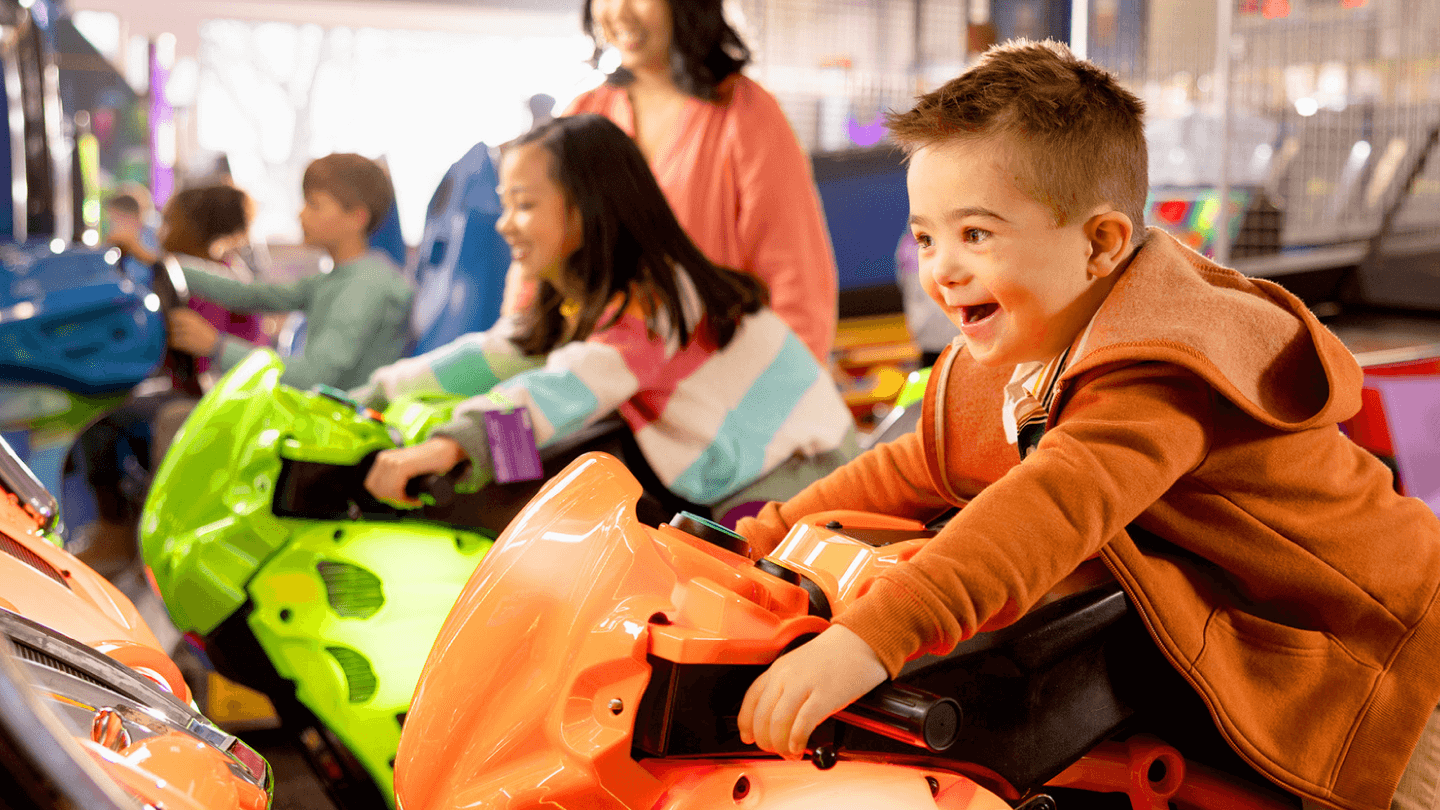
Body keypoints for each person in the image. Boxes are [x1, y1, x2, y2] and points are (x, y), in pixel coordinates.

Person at [733, 39, 1440, 810]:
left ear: (1100, 243)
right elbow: (911, 466)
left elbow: (1050, 507)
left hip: (1392, 654)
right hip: (1273, 635)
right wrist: (753, 545)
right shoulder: (1018, 344)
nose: (941, 269)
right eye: (928, 236)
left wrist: (871, 638)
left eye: (976, 235)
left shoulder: (1164, 363)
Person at [360, 114, 855, 524]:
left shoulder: (657, 303)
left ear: (587, 210)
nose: (504, 223)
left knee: (730, 590)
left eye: (525, 205)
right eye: (506, 204)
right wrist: (376, 393)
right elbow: (489, 357)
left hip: (798, 472)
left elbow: (562, 390)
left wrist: (452, 445)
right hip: (732, 470)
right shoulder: (575, 301)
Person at [563, 0, 839, 364]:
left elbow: (796, 287)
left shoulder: (745, 114)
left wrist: (780, 403)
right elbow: (538, 269)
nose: (620, 11)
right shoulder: (584, 114)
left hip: (715, 398)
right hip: (594, 390)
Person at [163, 153, 413, 391]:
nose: (301, 213)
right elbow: (249, 294)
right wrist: (166, 265)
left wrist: (216, 346)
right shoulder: (338, 277)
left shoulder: (365, 286)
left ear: (357, 217)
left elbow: (312, 378)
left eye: (315, 205)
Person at [110, 183, 267, 378]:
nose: (160, 235)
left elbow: (196, 368)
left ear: (192, 230)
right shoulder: (228, 271)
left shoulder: (211, 290)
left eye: (168, 223)